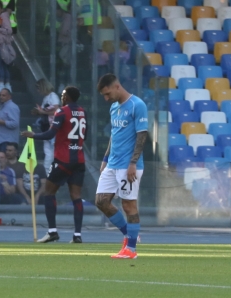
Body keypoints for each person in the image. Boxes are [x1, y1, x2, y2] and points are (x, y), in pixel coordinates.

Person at [21, 86, 87, 244]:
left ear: (69, 97)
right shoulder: (83, 112)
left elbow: (50, 134)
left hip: (63, 160)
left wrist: (33, 135)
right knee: (76, 197)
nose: (62, 97)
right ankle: (77, 235)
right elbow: (85, 133)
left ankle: (52, 232)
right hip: (79, 159)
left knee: (49, 193)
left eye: (64, 94)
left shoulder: (62, 112)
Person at [95, 74, 148, 259]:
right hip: (112, 163)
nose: (106, 98)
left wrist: (133, 163)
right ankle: (130, 234)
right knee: (101, 201)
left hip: (128, 166)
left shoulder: (137, 105)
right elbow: (114, 135)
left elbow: (142, 135)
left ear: (117, 86)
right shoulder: (114, 107)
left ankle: (131, 250)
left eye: (107, 93)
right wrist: (105, 158)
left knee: (128, 205)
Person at [34, 78, 60, 169]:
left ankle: (50, 170)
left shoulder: (53, 96)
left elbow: (56, 110)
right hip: (46, 126)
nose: (38, 91)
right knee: (47, 151)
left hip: (53, 126)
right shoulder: (45, 98)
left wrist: (43, 112)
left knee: (52, 151)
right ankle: (46, 171)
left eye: (38, 88)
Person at [0, 88, 19, 152]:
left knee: (4, 161)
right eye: (0, 95)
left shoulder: (12, 107)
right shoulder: (2, 106)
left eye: (3, 95)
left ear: (9, 96)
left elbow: (15, 123)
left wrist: (1, 122)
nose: (1, 97)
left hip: (6, 142)